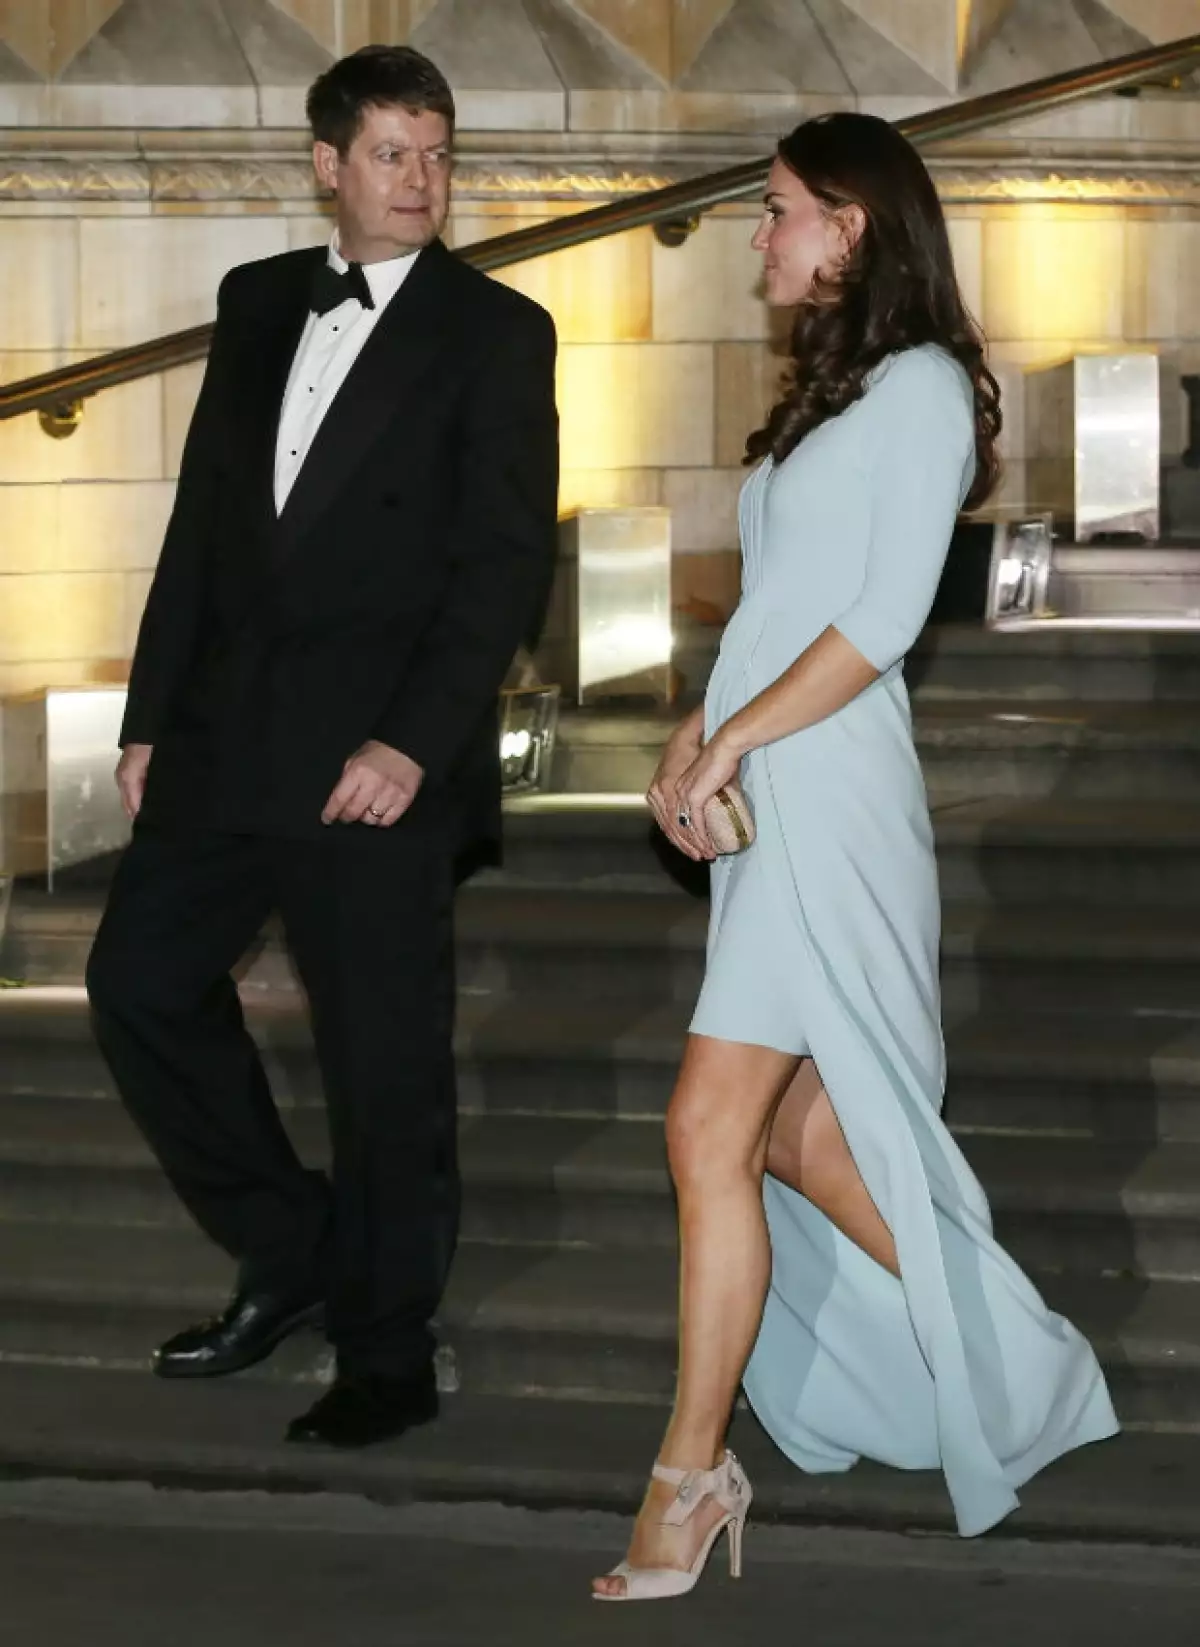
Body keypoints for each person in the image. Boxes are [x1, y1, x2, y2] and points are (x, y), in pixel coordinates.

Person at [593, 112, 1117, 1601]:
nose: (760, 237)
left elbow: (878, 620)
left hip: (830, 795)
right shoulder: (830, 398)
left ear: (856, 223)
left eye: (776, 211)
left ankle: (692, 1472)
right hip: (771, 783)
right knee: (787, 1138)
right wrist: (693, 730)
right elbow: (778, 601)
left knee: (709, 1123)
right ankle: (1016, 1360)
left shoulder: (925, 388)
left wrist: (734, 742)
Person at [85, 45, 558, 1449]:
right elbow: (204, 528)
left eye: (439, 153)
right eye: (396, 154)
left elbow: (501, 564)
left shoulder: (496, 330)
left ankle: (387, 1343)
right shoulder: (254, 302)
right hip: (228, 736)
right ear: (328, 165)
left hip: (375, 755)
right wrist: (151, 716)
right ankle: (291, 1246)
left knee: (381, 1064)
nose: (423, 180)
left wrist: (416, 743)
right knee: (137, 984)